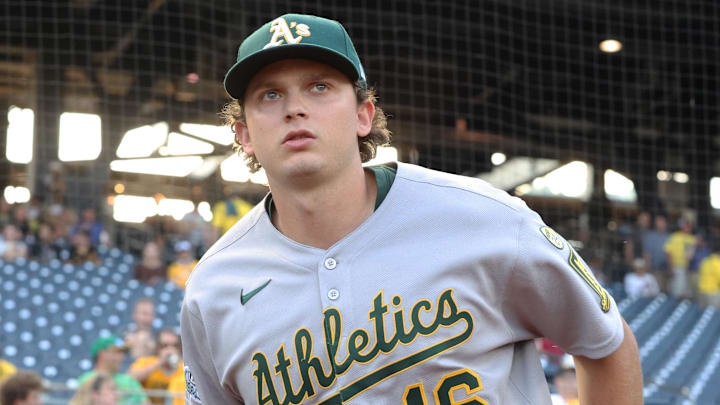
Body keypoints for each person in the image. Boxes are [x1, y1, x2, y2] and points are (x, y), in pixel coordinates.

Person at [180, 13, 643, 405]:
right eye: (270, 95)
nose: (295, 108)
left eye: (319, 87)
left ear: (364, 114)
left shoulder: (486, 217)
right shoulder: (213, 288)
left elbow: (606, 344)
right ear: (243, 134)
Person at [77, 335, 148, 405]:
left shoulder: (130, 380)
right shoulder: (88, 380)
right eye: (117, 352)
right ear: (102, 353)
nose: (122, 356)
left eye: (123, 352)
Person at [128, 329, 184, 404]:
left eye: (175, 346)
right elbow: (129, 379)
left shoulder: (185, 367)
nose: (170, 349)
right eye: (164, 346)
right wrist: (160, 362)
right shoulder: (146, 362)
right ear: (157, 347)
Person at [664, 217, 697, 299]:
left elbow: (693, 254)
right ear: (682, 226)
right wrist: (671, 267)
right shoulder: (675, 236)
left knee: (687, 292)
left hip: (690, 269)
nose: (688, 228)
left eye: (689, 226)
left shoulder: (692, 238)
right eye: (686, 226)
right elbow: (668, 253)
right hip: (677, 267)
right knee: (677, 291)